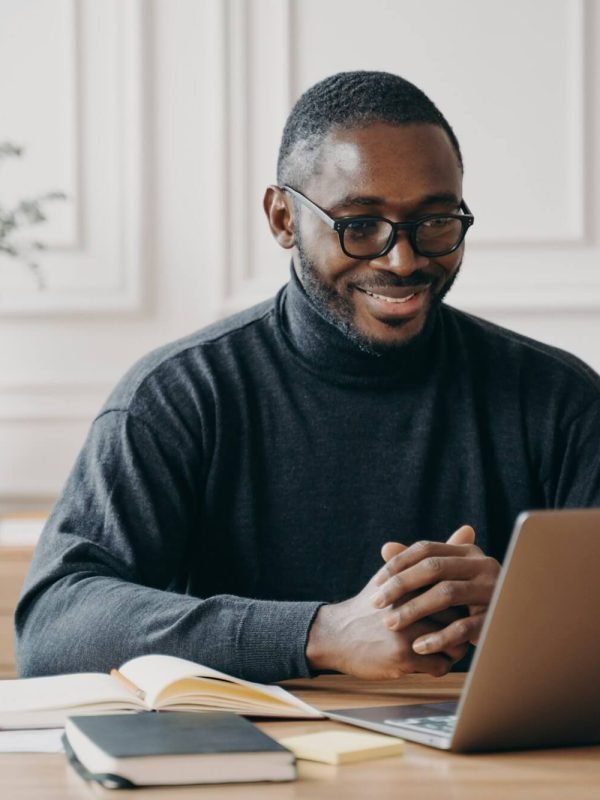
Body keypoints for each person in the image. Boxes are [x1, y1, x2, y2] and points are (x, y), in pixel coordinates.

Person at [15, 71, 600, 683]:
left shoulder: (560, 400)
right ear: (283, 219)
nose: (402, 260)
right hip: (245, 770)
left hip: (491, 775)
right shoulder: (180, 396)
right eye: (360, 225)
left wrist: (528, 613)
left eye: (435, 222)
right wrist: (319, 633)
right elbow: (53, 627)